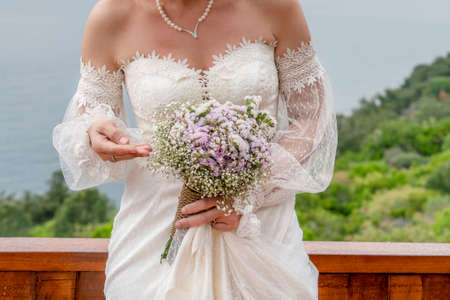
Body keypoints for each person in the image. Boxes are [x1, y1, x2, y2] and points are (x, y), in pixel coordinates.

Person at [52, 0, 338, 299]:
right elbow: (91, 116)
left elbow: (309, 115)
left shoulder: (274, 6)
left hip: (260, 224)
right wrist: (97, 133)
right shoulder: (112, 15)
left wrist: (250, 193)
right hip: (155, 230)